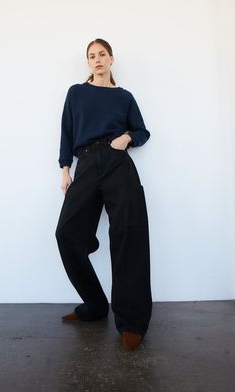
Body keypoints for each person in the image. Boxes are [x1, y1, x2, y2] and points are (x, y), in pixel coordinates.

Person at [55, 38, 152, 351]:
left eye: (101, 55)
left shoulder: (124, 97)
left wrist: (127, 137)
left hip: (117, 162)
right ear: (88, 62)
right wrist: (65, 168)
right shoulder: (76, 92)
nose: (96, 60)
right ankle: (95, 306)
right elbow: (67, 131)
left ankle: (132, 322)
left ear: (111, 59)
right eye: (91, 56)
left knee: (128, 235)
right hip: (85, 162)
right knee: (67, 233)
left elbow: (142, 131)